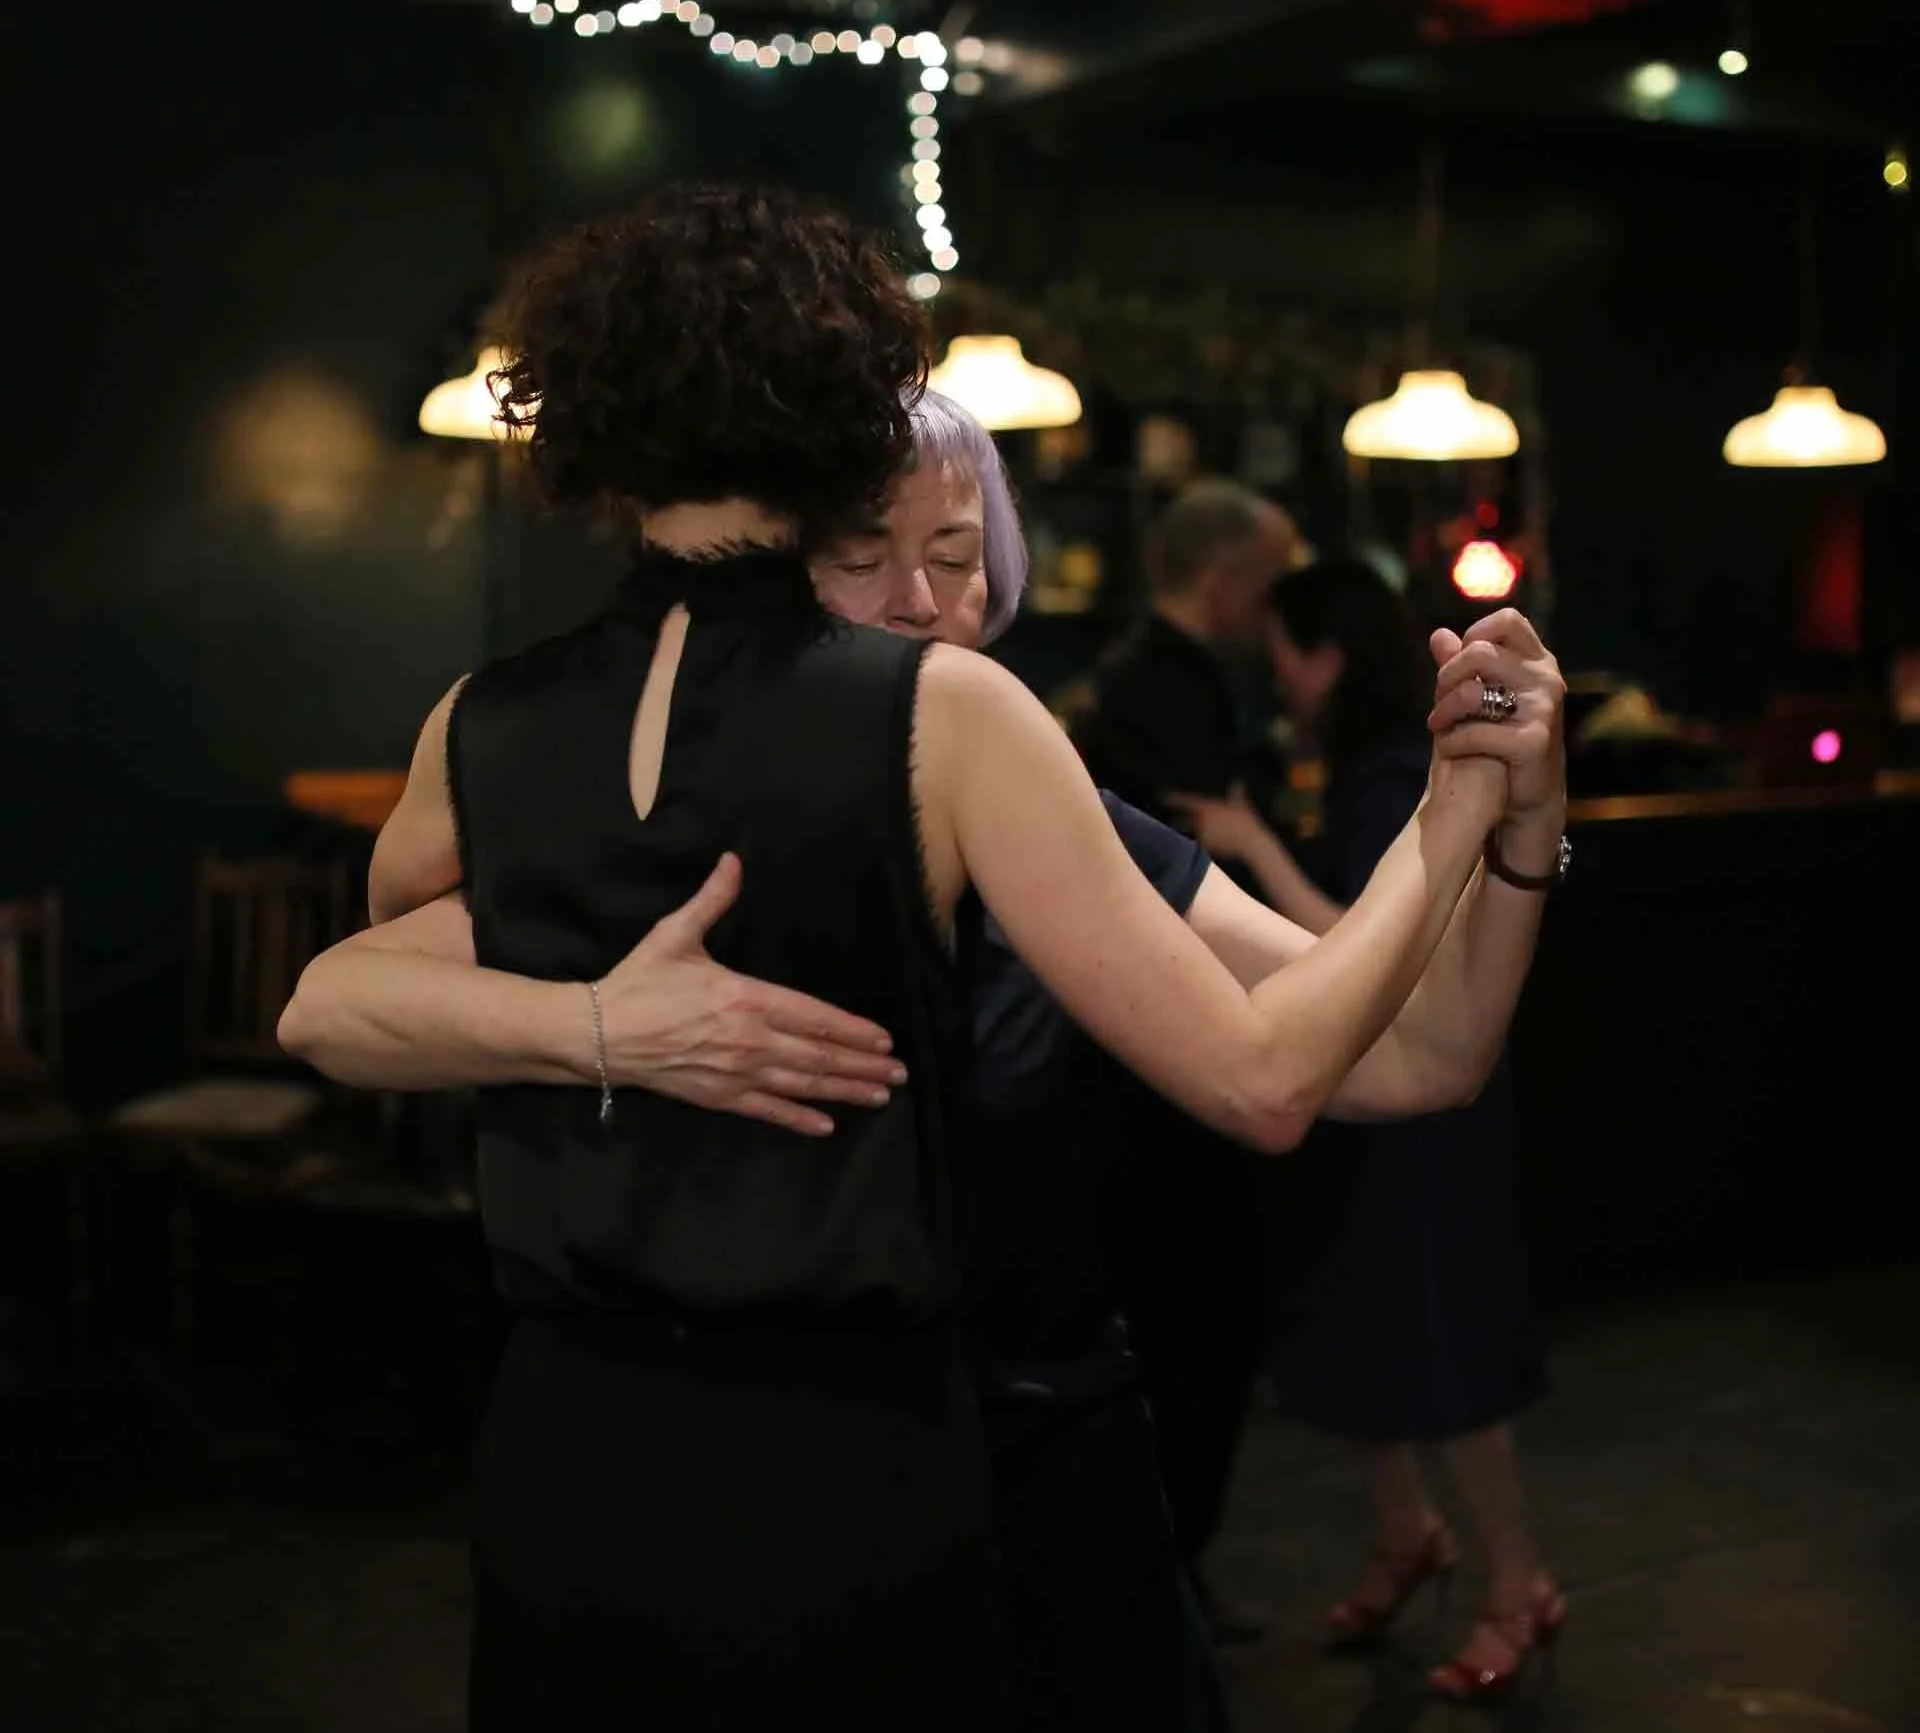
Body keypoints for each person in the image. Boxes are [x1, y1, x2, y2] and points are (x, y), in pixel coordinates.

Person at [282, 179, 1559, 1728]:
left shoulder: (485, 721)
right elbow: (1273, 1079)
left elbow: (364, 970)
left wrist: (582, 1018)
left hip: (575, 1456)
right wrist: (1449, 811)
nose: (927, 596)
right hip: (857, 1458)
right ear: (833, 413)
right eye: (882, 545)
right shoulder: (934, 719)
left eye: (956, 552)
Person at [1167, 555, 1567, 1703]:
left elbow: (1367, 949)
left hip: (1422, 1115)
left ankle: (1518, 1581)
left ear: (1326, 655)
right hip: (1356, 1095)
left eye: (1288, 651)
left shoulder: (1397, 767)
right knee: (1356, 1334)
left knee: (1441, 1350)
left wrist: (1250, 841)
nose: (1279, 675)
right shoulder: (1361, 765)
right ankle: (1408, 1540)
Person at [1064, 480, 1301, 1640]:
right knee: (1195, 1325)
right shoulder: (1170, 689)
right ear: (1229, 581)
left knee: (1183, 1324)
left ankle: (1158, 1573)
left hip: (1152, 1058)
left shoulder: (1136, 677)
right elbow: (1206, 879)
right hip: (1175, 1064)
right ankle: (1161, 1578)